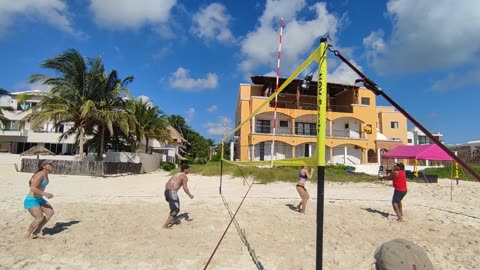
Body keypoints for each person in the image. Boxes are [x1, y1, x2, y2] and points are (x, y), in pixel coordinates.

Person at [23, 160, 55, 239]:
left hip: (39, 198)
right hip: (32, 199)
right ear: (44, 166)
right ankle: (27, 234)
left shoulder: (45, 174)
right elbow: (32, 188)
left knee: (50, 212)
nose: (51, 165)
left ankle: (37, 231)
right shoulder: (40, 175)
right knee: (39, 218)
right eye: (49, 164)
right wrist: (46, 194)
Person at [163, 164, 194, 229]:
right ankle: (165, 225)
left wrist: (167, 195)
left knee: (175, 208)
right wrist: (190, 195)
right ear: (185, 169)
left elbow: (166, 183)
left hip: (167, 191)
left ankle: (171, 220)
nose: (189, 170)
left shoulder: (176, 174)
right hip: (172, 192)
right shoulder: (184, 176)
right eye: (188, 169)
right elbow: (185, 188)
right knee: (176, 209)